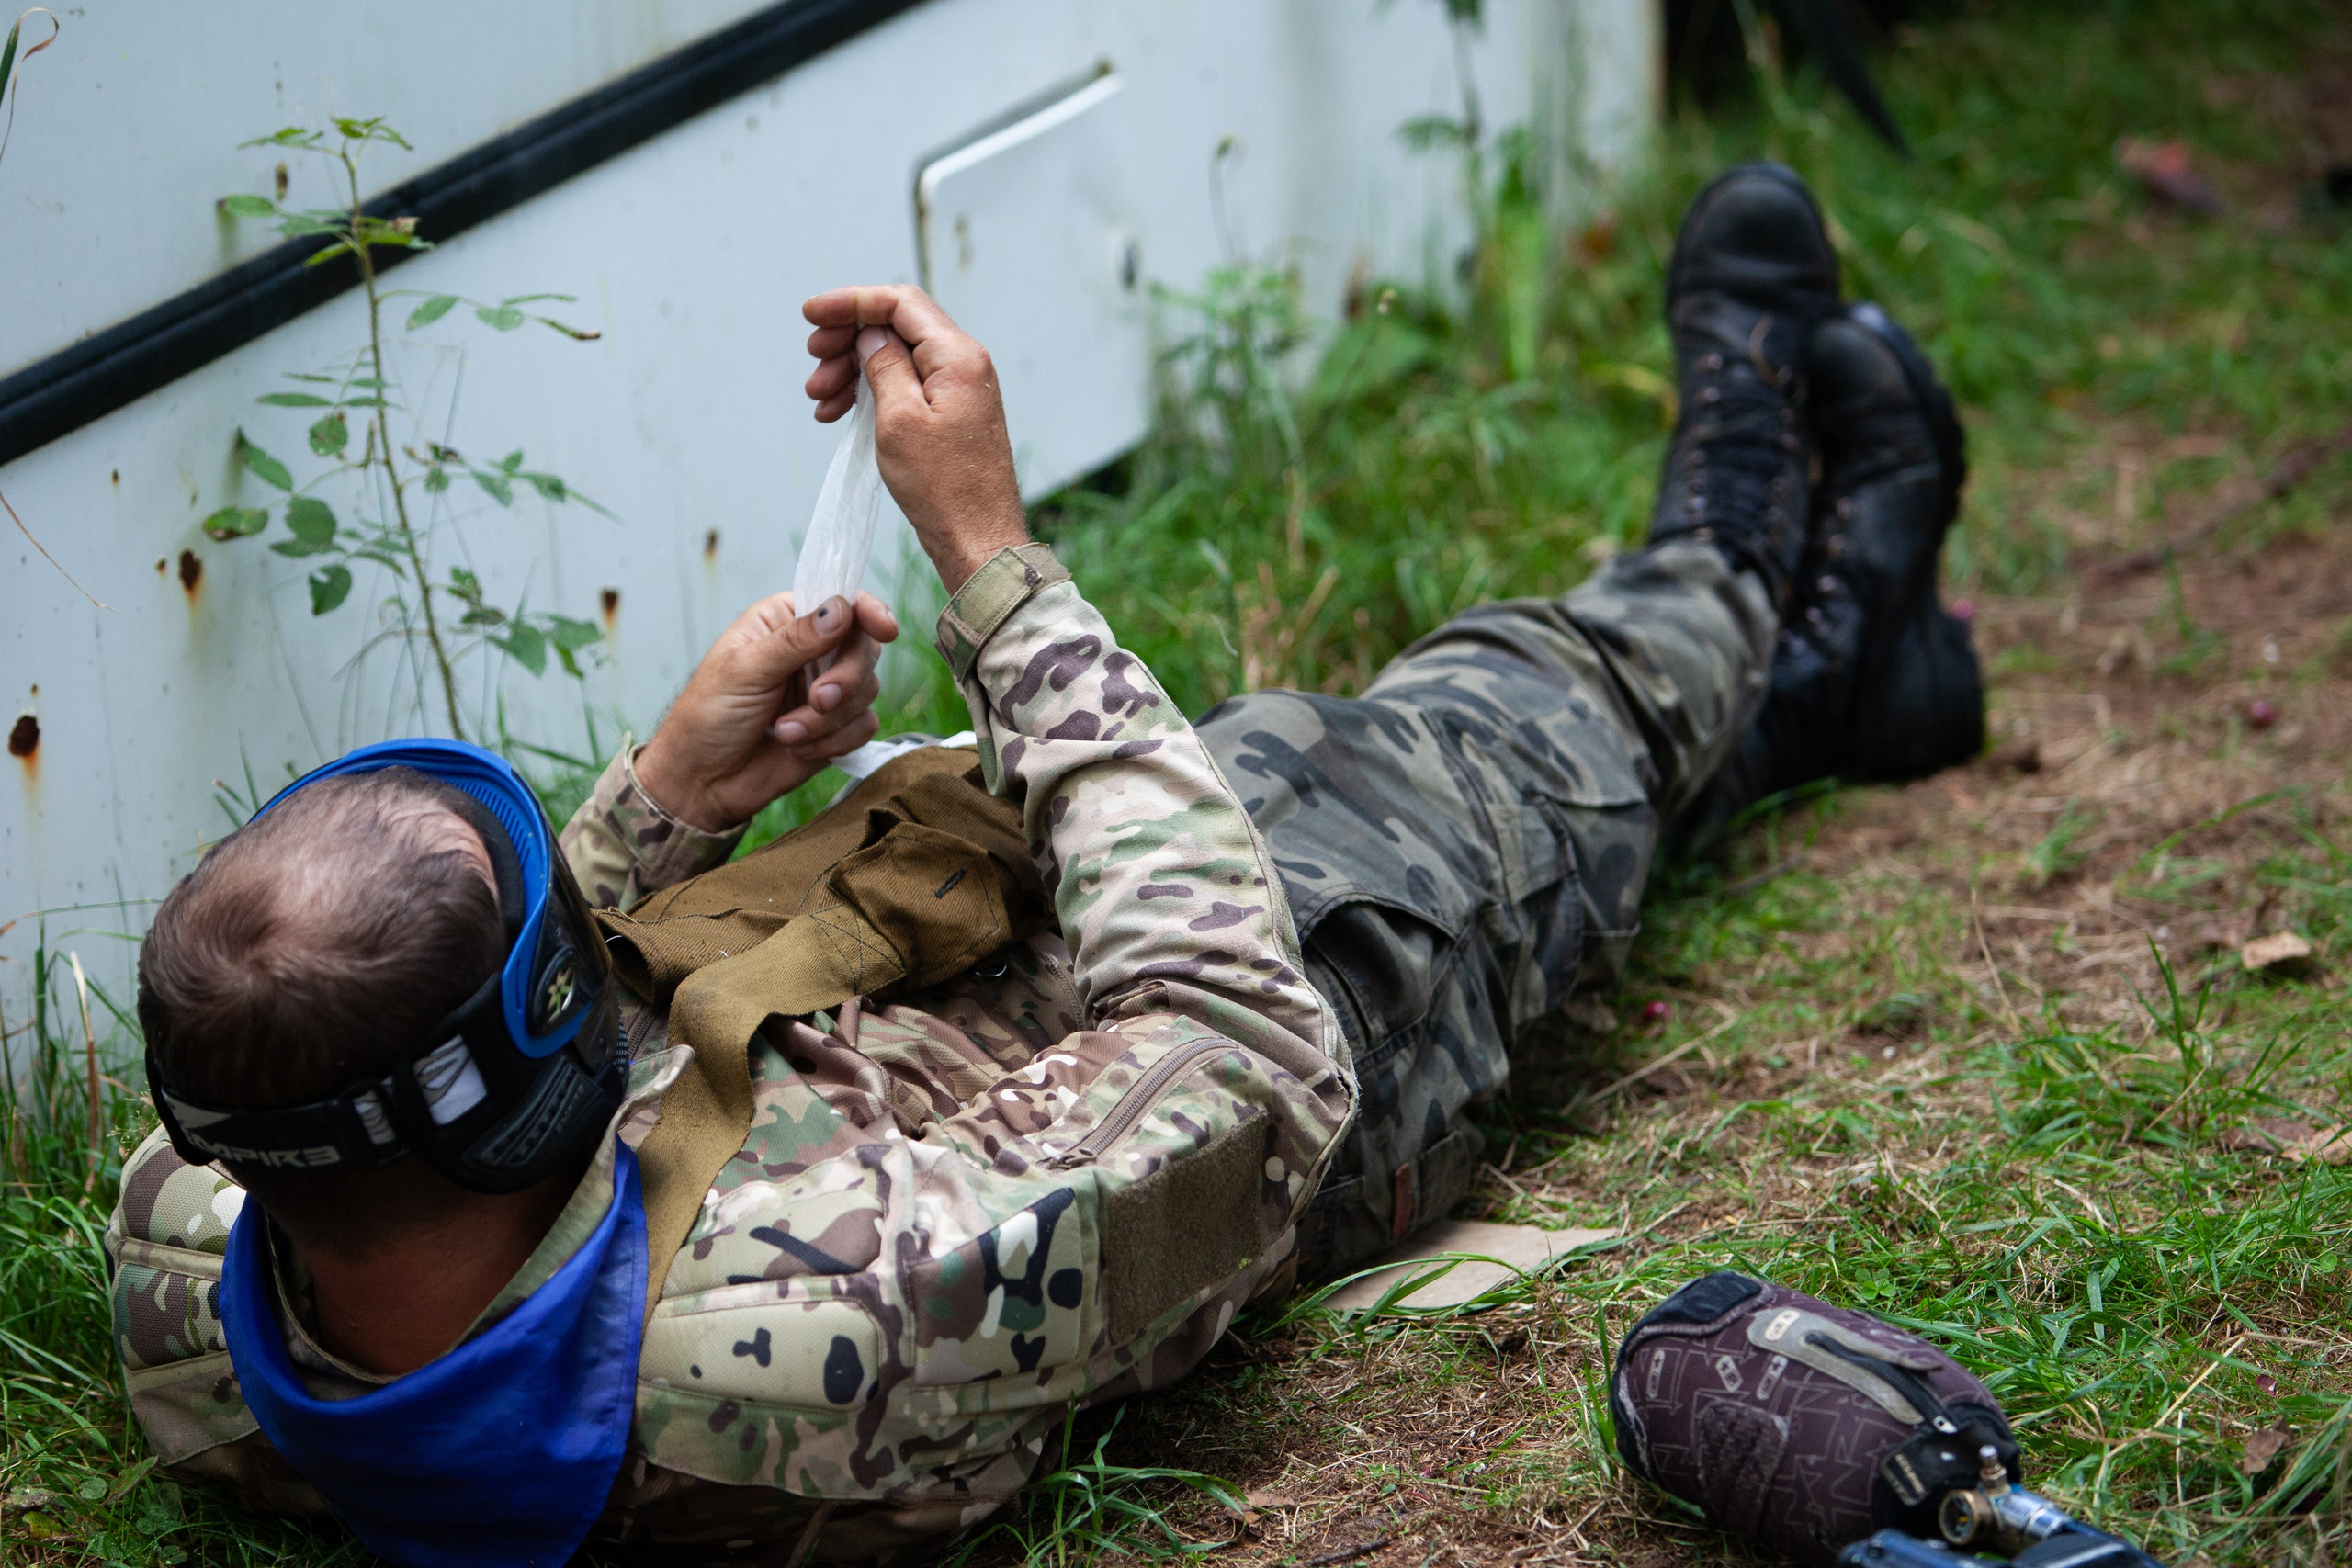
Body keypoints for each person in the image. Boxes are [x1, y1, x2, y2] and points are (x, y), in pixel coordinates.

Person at [111, 164, 1982, 1566]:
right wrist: (999, 570)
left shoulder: (199, 1258)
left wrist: (678, 785)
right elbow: (1247, 1050)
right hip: (1249, 1072)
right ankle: (1740, 542)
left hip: (932, 1008)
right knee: (1466, 742)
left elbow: (409, 1061)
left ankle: (1829, 681)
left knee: (1242, 758)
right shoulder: (832, 1324)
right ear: (547, 1080)